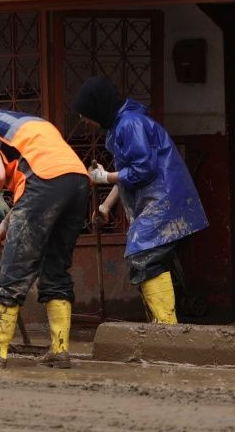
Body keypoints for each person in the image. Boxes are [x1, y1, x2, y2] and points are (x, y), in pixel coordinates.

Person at [0, 88, 89, 370]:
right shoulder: (29, 122)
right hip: (78, 183)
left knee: (13, 269)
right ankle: (60, 350)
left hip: (44, 184)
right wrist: (1, 227)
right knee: (55, 269)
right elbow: (40, 184)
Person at [75, 76, 208, 324]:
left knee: (143, 255)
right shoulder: (123, 124)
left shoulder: (130, 124)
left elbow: (142, 170)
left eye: (85, 114)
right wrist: (106, 205)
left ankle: (166, 327)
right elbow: (128, 172)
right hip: (161, 202)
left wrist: (105, 177)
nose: (85, 120)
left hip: (165, 202)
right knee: (147, 260)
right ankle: (162, 324)